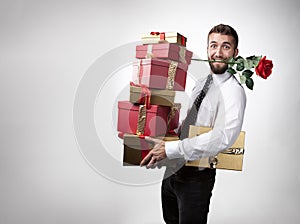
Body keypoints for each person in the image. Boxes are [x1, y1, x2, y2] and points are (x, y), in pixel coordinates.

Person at [140, 24, 246, 224]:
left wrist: (172, 149)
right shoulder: (202, 83)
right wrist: (162, 137)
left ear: (235, 52)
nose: (218, 52)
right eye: (213, 45)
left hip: (197, 177)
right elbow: (189, 124)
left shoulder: (233, 91)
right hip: (172, 171)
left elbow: (223, 137)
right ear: (207, 49)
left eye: (226, 47)